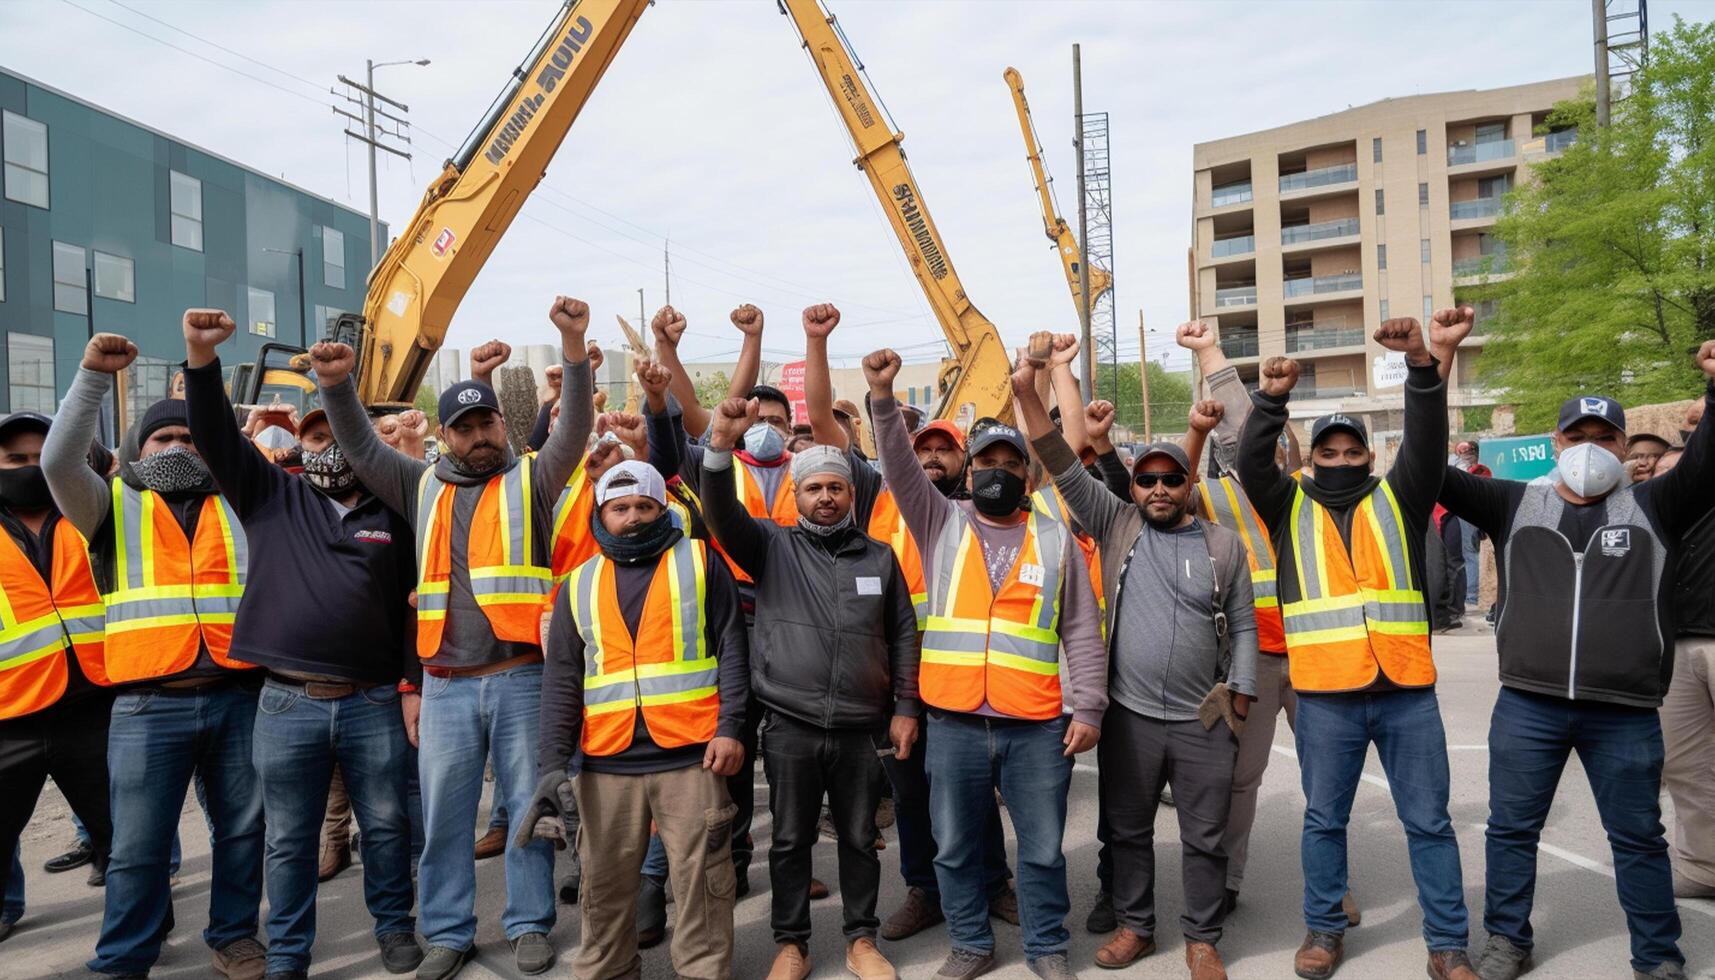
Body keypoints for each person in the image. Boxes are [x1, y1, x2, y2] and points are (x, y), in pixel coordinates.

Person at [311, 295, 594, 980]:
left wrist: (574, 346)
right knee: (444, 821)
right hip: (445, 686)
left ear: (502, 421)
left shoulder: (535, 476)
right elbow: (356, 443)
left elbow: (576, 425)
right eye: (463, 426)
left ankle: (528, 925)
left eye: (486, 421)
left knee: (529, 812)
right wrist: (336, 386)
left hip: (523, 676)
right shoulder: (417, 485)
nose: (478, 434)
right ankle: (447, 932)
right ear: (446, 433)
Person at [1439, 343, 1715, 980]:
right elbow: (1427, 468)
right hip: (1528, 705)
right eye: (1577, 433)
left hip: (1624, 711)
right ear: (1557, 443)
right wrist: (1434, 373)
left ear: (1623, 448)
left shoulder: (1654, 508)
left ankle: (1657, 954)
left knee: (1639, 840)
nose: (1590, 444)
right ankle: (1508, 940)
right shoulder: (1512, 504)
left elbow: (1708, 465)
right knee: (1510, 831)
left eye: (1604, 435)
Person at [180, 309, 424, 977]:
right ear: (299, 447)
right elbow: (213, 436)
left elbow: (413, 610)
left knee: (385, 827)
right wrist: (200, 357)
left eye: (339, 436)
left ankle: (395, 929)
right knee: (288, 841)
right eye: (314, 437)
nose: (328, 448)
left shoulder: (396, 513)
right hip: (286, 706)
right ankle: (288, 953)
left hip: (373, 701)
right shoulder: (269, 495)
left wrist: (411, 685)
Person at [1237, 310, 1478, 980]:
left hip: (1405, 694)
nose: (1340, 461)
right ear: (1308, 458)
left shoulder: (1400, 498)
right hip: (1325, 698)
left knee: (1428, 825)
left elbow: (1428, 440)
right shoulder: (1286, 508)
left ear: (1370, 456)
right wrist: (1270, 399)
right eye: (1327, 452)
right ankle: (1321, 932)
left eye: (1351, 452)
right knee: (1323, 822)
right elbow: (1248, 459)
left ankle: (1448, 945)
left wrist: (1421, 366)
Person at [1015, 348, 1258, 980]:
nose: (1156, 489)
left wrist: (1243, 692)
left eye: (1170, 479)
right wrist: (1027, 391)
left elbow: (1246, 623)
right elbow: (1062, 463)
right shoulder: (1117, 521)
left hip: (1203, 721)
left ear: (1187, 486)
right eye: (1146, 479)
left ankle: (1203, 938)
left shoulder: (1221, 544)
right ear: (1134, 488)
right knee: (1127, 834)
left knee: (1205, 836)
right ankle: (1135, 927)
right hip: (1132, 719)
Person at [866, 347, 1107, 980]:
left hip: (1035, 725)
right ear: (968, 473)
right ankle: (971, 942)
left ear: (1028, 477)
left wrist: (1089, 706)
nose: (997, 471)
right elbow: (897, 466)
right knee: (953, 846)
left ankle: (1047, 946)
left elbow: (1080, 628)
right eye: (986, 463)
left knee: (1043, 849)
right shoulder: (938, 522)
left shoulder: (1054, 539)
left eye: (1010, 463)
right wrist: (884, 399)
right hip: (954, 723)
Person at [44, 332, 268, 980]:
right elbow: (60, 460)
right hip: (148, 707)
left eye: (191, 440)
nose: (178, 449)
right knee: (138, 849)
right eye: (163, 439)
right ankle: (124, 957)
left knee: (243, 833)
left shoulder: (237, 503)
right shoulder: (106, 505)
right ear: (138, 448)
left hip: (237, 696)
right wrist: (89, 374)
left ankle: (233, 936)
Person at [701, 397, 920, 980]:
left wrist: (904, 708)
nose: (825, 497)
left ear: (851, 495)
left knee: (857, 837)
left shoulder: (879, 556)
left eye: (836, 488)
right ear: (794, 496)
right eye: (813, 489)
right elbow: (719, 512)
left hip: (861, 726)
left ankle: (861, 941)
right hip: (790, 724)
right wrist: (719, 447)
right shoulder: (770, 547)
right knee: (791, 841)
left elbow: (902, 635)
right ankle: (791, 943)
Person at [525, 459, 749, 979]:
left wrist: (732, 727)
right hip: (606, 765)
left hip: (693, 758)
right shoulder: (578, 583)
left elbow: (735, 651)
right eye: (620, 507)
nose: (632, 517)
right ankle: (608, 970)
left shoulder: (699, 562)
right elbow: (562, 680)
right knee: (602, 888)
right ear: (602, 512)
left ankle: (702, 971)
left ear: (662, 508)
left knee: (702, 886)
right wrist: (552, 764)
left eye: (644, 506)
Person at [1174, 319, 1351, 929]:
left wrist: (1210, 353)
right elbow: (1213, 447)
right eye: (1252, 446)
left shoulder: (1305, 490)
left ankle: (1337, 886)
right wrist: (1207, 353)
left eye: (1274, 445)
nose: (1262, 452)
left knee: (1325, 778)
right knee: (1240, 781)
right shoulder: (1217, 497)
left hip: (1314, 657)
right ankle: (1226, 880)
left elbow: (1251, 424)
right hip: (1250, 665)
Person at [0, 410, 114, 946]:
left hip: (94, 704)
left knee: (122, 834)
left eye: (36, 458)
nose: (27, 468)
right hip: (10, 716)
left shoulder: (91, 514)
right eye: (13, 459)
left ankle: (140, 927)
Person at [1653, 444, 1715, 903]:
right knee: (1687, 769)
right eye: (1664, 472)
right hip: (1675, 647)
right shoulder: (1650, 514)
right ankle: (1705, 867)